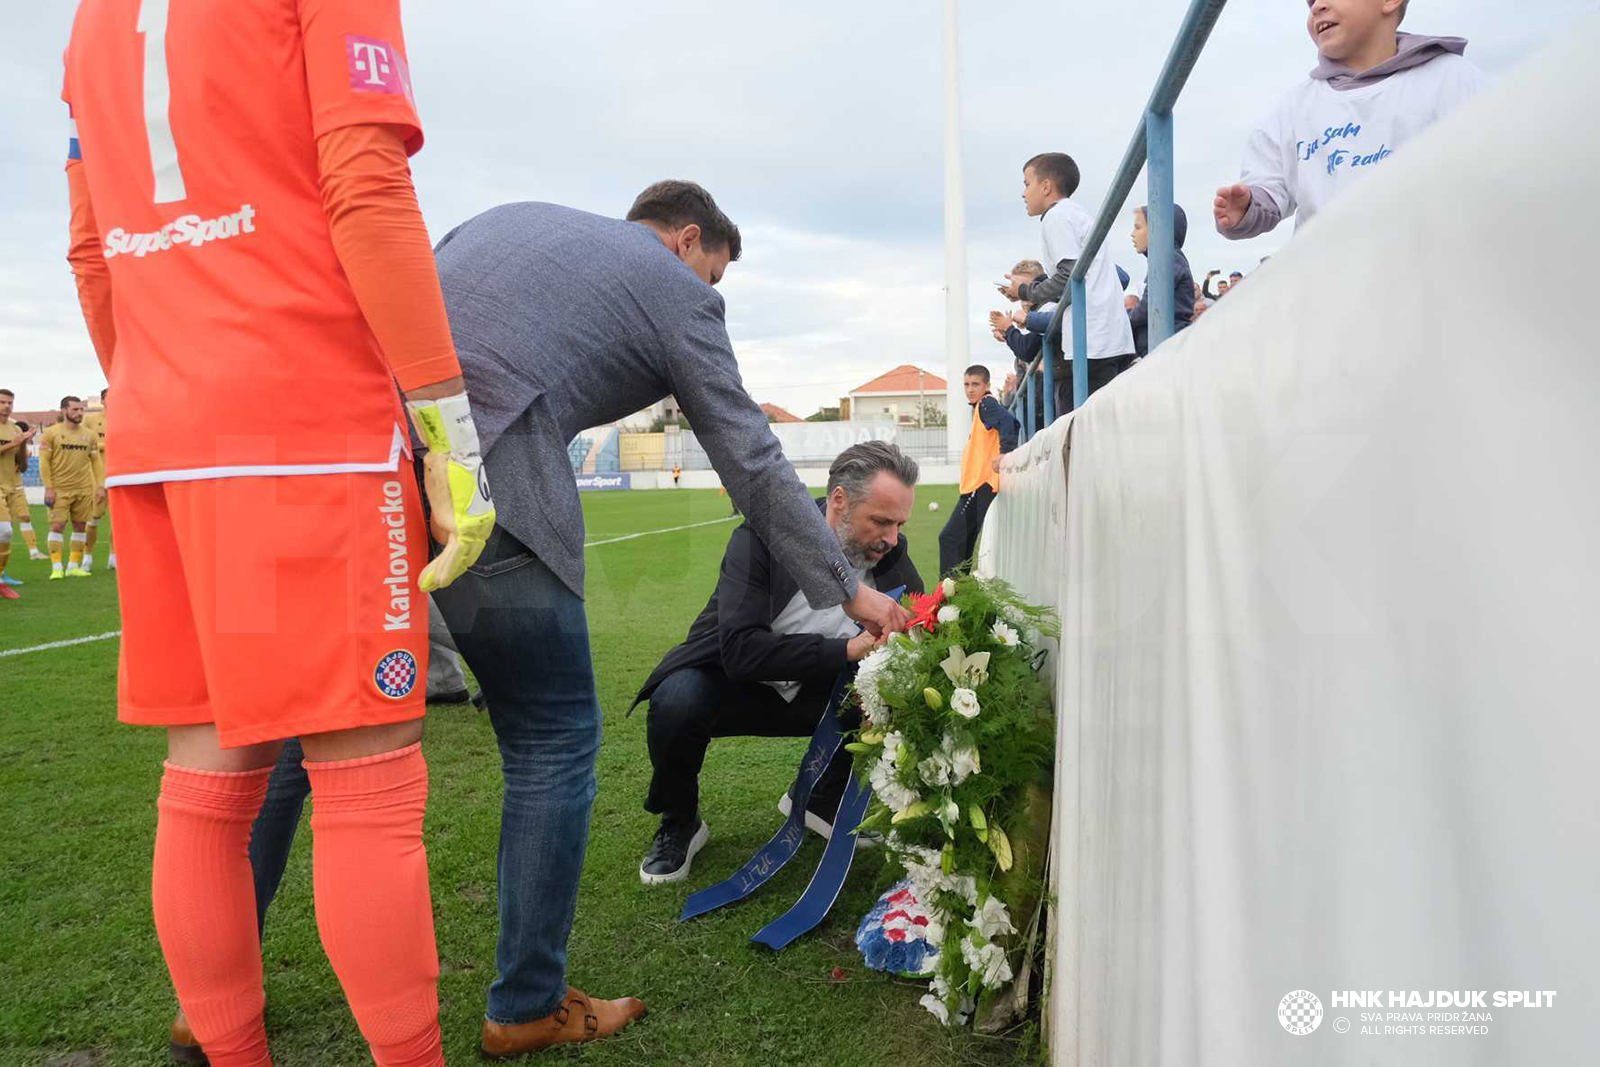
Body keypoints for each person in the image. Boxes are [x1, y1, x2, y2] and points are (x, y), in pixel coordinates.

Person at [63, 4, 495, 1065]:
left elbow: (91, 252)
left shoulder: (86, 20)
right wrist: (449, 431)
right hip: (302, 431)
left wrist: (171, 387)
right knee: (365, 783)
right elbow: (367, 186)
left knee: (207, 783)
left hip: (164, 431)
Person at [425, 179, 912, 1058]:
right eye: (715, 274)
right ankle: (527, 1000)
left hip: (360, 460)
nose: (711, 294)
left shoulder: (508, 217)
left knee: (320, 740)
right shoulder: (676, 291)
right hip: (487, 475)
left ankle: (214, 1001)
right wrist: (855, 590)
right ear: (689, 242)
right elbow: (755, 461)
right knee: (555, 739)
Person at [632, 441, 924, 885]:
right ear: (839, 502)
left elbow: (915, 625)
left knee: (894, 686)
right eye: (880, 521)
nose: (890, 538)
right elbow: (742, 650)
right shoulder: (760, 538)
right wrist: (846, 651)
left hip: (818, 695)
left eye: (899, 523)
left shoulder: (890, 553)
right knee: (677, 700)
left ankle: (820, 801)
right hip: (734, 684)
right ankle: (680, 820)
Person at [1215, 0, 1489, 240]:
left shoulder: (1451, 79)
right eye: (1311, 3)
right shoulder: (1294, 109)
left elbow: (1495, 156)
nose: (1317, 6)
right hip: (1331, 281)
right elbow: (1269, 186)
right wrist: (1248, 207)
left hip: (1427, 272)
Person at [1001, 153, 1136, 408]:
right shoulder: (1076, 214)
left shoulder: (1057, 217)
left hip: (1093, 341)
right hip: (1108, 337)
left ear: (1046, 186)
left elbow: (1068, 276)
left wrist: (1028, 292)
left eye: (1027, 184)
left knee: (1090, 431)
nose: (1023, 193)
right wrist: (1023, 291)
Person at [939, 366, 1019, 577]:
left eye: (975, 384)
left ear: (986, 386)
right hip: (975, 488)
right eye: (966, 384)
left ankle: (946, 598)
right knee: (963, 543)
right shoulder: (980, 408)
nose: (970, 389)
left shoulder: (986, 403)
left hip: (981, 486)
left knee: (948, 538)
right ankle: (960, 599)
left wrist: (1005, 453)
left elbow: (1010, 422)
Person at [39, 396, 102, 580]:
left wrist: (99, 486)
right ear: (63, 410)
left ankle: (74, 566)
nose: (79, 413)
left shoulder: (89, 435)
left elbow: (96, 462)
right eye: (74, 409)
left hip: (83, 488)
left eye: (81, 409)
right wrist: (48, 488)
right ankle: (57, 567)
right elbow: (44, 463)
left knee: (80, 526)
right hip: (59, 489)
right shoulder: (51, 433)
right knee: (57, 525)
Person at [1127, 204, 1196, 358]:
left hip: (1168, 346)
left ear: (1158, 231)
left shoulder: (1168, 259)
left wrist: (1123, 320)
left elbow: (1149, 307)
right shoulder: (1165, 261)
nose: (1132, 234)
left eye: (1138, 227)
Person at [0, 390, 43, 594]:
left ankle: (1, 576)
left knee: (7, 531)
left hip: (13, 485)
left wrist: (23, 444)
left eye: (9, 403)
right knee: (5, 530)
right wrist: (14, 443)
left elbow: (23, 466)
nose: (6, 406)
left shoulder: (15, 428)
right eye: (2, 402)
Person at [80, 387, 113, 573]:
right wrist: (107, 444)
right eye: (109, 396)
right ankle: (87, 555)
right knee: (94, 519)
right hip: (97, 477)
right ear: (102, 400)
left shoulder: (125, 418)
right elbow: (84, 442)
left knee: (117, 522)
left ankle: (113, 557)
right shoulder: (90, 420)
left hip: (118, 477)